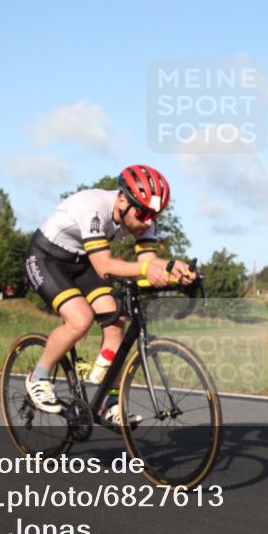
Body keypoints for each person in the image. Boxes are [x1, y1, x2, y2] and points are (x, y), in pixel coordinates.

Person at [24, 164, 196, 425]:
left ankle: (109, 401)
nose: (149, 221)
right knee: (80, 319)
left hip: (83, 262)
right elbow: (105, 266)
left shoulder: (143, 218)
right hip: (47, 258)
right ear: (123, 200)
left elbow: (148, 262)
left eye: (155, 215)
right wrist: (148, 270)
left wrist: (175, 271)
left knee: (117, 320)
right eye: (144, 213)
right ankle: (38, 377)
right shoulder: (93, 207)